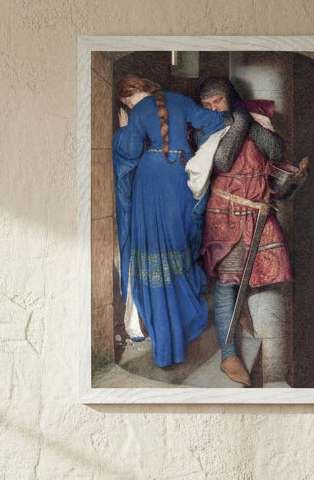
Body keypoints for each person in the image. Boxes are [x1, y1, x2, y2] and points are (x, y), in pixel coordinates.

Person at [112, 75, 227, 369]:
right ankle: (183, 316)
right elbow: (216, 123)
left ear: (140, 93)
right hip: (177, 177)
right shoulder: (181, 101)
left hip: (149, 179)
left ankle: (163, 335)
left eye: (129, 97)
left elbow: (129, 151)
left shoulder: (137, 112)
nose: (128, 103)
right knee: (180, 243)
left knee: (154, 248)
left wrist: (125, 130)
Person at [198, 77, 294, 387]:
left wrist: (246, 121)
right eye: (208, 105)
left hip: (257, 212)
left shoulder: (253, 118)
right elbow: (223, 160)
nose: (214, 109)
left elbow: (275, 150)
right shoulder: (203, 127)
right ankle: (229, 354)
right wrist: (237, 122)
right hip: (224, 215)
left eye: (219, 103)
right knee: (226, 285)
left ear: (231, 97)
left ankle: (262, 345)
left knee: (266, 279)